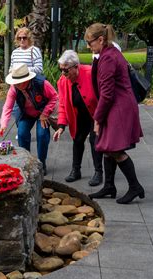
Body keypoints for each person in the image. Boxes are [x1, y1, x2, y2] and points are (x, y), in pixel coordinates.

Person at [84, 23, 145, 204]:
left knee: (115, 149)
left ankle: (135, 187)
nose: (88, 46)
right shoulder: (109, 53)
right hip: (119, 105)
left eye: (90, 42)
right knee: (106, 147)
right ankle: (109, 186)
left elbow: (107, 94)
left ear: (100, 39)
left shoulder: (108, 58)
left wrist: (97, 118)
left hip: (119, 108)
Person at [53, 50, 103, 186]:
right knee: (78, 139)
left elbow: (104, 95)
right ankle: (76, 170)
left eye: (66, 70)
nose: (63, 73)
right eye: (61, 70)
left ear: (76, 67)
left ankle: (99, 172)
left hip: (96, 113)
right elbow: (62, 104)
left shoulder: (91, 73)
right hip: (80, 114)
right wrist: (61, 126)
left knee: (95, 140)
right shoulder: (63, 81)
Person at [0, 63, 57, 175]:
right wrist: (3, 125)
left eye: (19, 83)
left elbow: (55, 97)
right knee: (22, 133)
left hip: (42, 113)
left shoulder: (42, 83)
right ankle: (26, 161)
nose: (16, 85)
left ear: (27, 79)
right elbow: (7, 106)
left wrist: (45, 113)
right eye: (15, 83)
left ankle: (41, 162)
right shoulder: (14, 88)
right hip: (25, 113)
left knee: (42, 134)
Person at [9, 27, 44, 136]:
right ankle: (22, 131)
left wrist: (23, 71)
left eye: (24, 37)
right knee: (17, 110)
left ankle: (32, 130)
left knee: (34, 109)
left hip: (31, 87)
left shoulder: (34, 51)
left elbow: (39, 68)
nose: (22, 40)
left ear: (29, 38)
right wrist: (13, 72)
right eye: (19, 38)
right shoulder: (15, 52)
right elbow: (11, 68)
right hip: (17, 86)